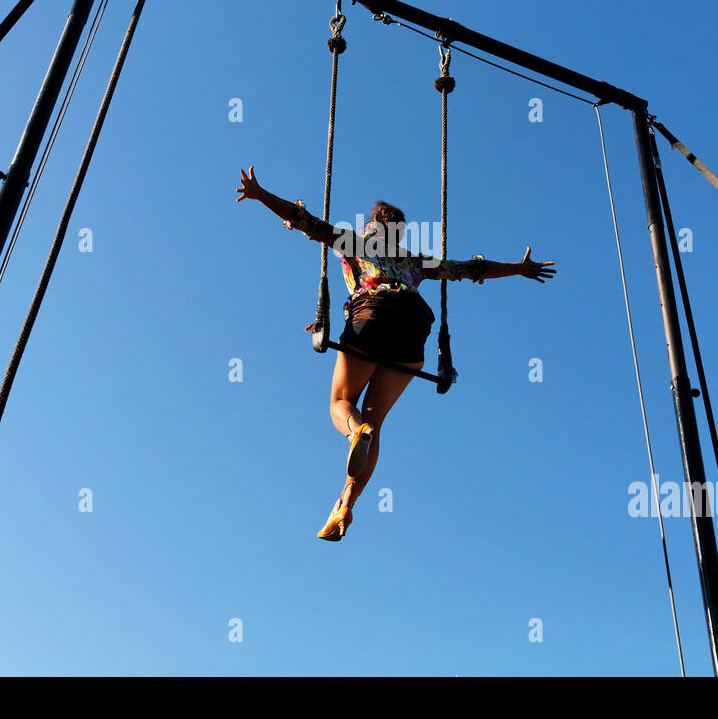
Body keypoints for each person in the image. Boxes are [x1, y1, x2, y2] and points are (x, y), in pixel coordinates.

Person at [235, 166, 555, 541]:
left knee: (341, 402)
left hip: (371, 317)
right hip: (413, 328)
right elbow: (471, 268)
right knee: (376, 420)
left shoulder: (353, 242)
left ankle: (357, 432)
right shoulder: (415, 261)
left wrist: (260, 194)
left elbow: (303, 220)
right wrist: (518, 268)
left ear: (372, 225)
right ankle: (344, 507)